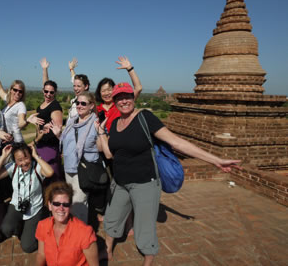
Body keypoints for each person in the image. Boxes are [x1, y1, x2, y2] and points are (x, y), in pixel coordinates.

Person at [96, 81, 241, 265]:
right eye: (119, 98)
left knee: (144, 229)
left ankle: (147, 262)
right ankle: (108, 251)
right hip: (120, 182)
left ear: (133, 97)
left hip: (144, 184)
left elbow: (177, 142)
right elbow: (109, 153)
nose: (124, 101)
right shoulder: (115, 123)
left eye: (127, 96)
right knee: (112, 220)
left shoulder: (145, 118)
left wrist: (216, 160)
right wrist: (100, 132)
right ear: (114, 101)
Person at [0, 142, 54, 253]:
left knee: (27, 247)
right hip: (17, 205)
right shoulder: (13, 168)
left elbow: (50, 172)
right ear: (15, 160)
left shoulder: (37, 167)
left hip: (34, 208)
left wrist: (36, 156)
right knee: (6, 230)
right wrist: (4, 156)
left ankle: (40, 227)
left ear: (30, 156)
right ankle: (24, 228)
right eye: (19, 160)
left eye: (26, 158)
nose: (23, 163)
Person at [53, 91, 105, 224]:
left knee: (78, 203)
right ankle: (75, 228)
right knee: (72, 200)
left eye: (83, 103)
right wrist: (59, 135)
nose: (79, 106)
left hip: (83, 169)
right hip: (69, 167)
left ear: (91, 106)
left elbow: (100, 148)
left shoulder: (95, 123)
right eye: (77, 102)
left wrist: (100, 133)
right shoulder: (72, 121)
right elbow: (68, 143)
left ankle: (80, 235)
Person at [35, 181, 99, 266]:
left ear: (70, 206)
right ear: (50, 205)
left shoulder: (85, 233)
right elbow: (41, 254)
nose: (61, 208)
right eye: (57, 204)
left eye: (65, 204)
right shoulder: (42, 226)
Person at [27, 58, 64, 184]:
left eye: (51, 92)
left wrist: (48, 131)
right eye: (46, 91)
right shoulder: (44, 103)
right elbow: (46, 83)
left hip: (50, 146)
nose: (48, 94)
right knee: (40, 176)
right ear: (43, 91)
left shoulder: (55, 106)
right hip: (40, 144)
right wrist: (44, 69)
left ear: (55, 93)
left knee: (51, 176)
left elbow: (58, 129)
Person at [95, 56, 142, 132]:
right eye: (103, 91)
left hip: (120, 141)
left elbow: (138, 88)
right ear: (99, 93)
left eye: (109, 90)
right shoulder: (96, 109)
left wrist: (129, 69)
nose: (106, 93)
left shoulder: (121, 104)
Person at [41, 57, 90, 121]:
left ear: (86, 86)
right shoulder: (77, 98)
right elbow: (74, 79)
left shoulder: (87, 102)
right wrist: (71, 69)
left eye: (78, 86)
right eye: (74, 86)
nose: (76, 88)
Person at [0, 71, 28, 142]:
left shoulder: (21, 105)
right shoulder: (7, 100)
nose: (17, 93)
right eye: (15, 90)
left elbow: (21, 121)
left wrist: (26, 121)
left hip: (13, 140)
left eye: (20, 91)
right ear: (10, 90)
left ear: (23, 93)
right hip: (4, 138)